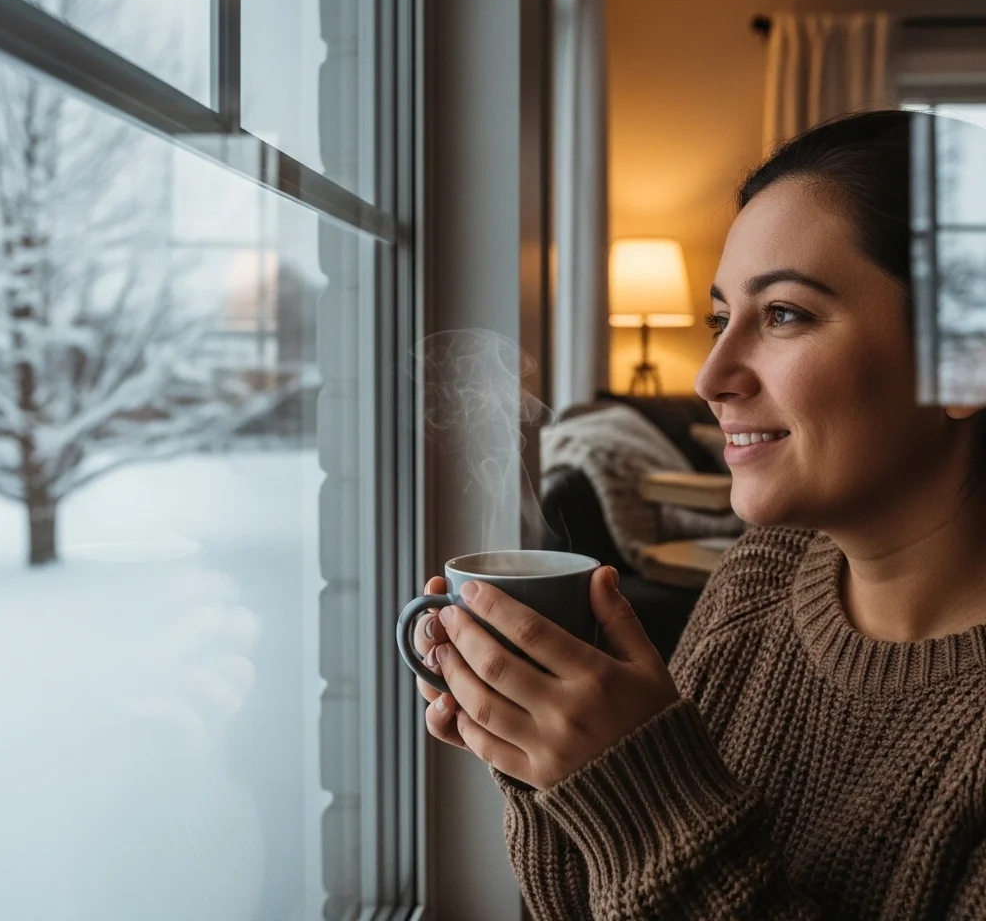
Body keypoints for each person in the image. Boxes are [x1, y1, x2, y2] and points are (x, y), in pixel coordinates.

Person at [412, 108, 986, 919]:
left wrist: (634, 790)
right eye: (722, 319)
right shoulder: (765, 574)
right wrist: (554, 764)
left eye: (783, 314)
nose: (711, 375)